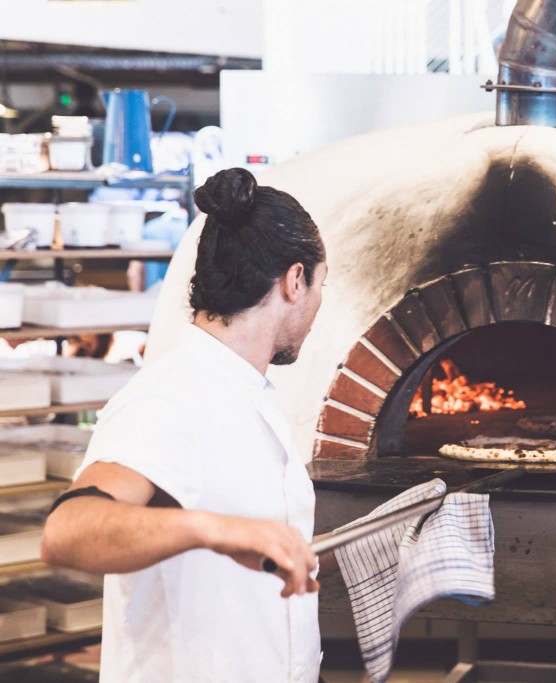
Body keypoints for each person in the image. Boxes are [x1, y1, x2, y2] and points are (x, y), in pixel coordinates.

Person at [41, 167, 332, 683]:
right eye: (320, 286)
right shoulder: (172, 396)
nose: (317, 306)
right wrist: (211, 528)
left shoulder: (246, 392)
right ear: (294, 280)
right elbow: (69, 530)